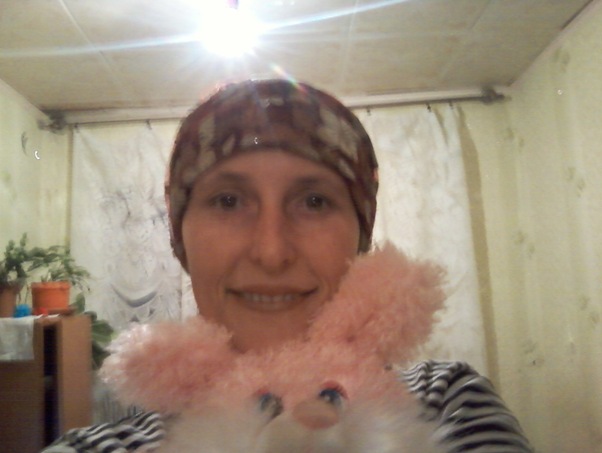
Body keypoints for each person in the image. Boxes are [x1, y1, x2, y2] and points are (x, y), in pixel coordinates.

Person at [44, 79, 533, 452]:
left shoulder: (445, 400)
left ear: (361, 239)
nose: (271, 252)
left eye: (314, 201)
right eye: (228, 200)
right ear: (181, 239)